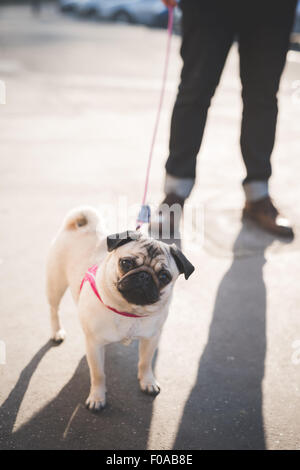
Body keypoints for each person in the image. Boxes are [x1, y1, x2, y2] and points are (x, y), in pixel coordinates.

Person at [159, 0, 297, 238]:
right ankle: (175, 195)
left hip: (273, 7)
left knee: (263, 97)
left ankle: (258, 195)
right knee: (195, 89)